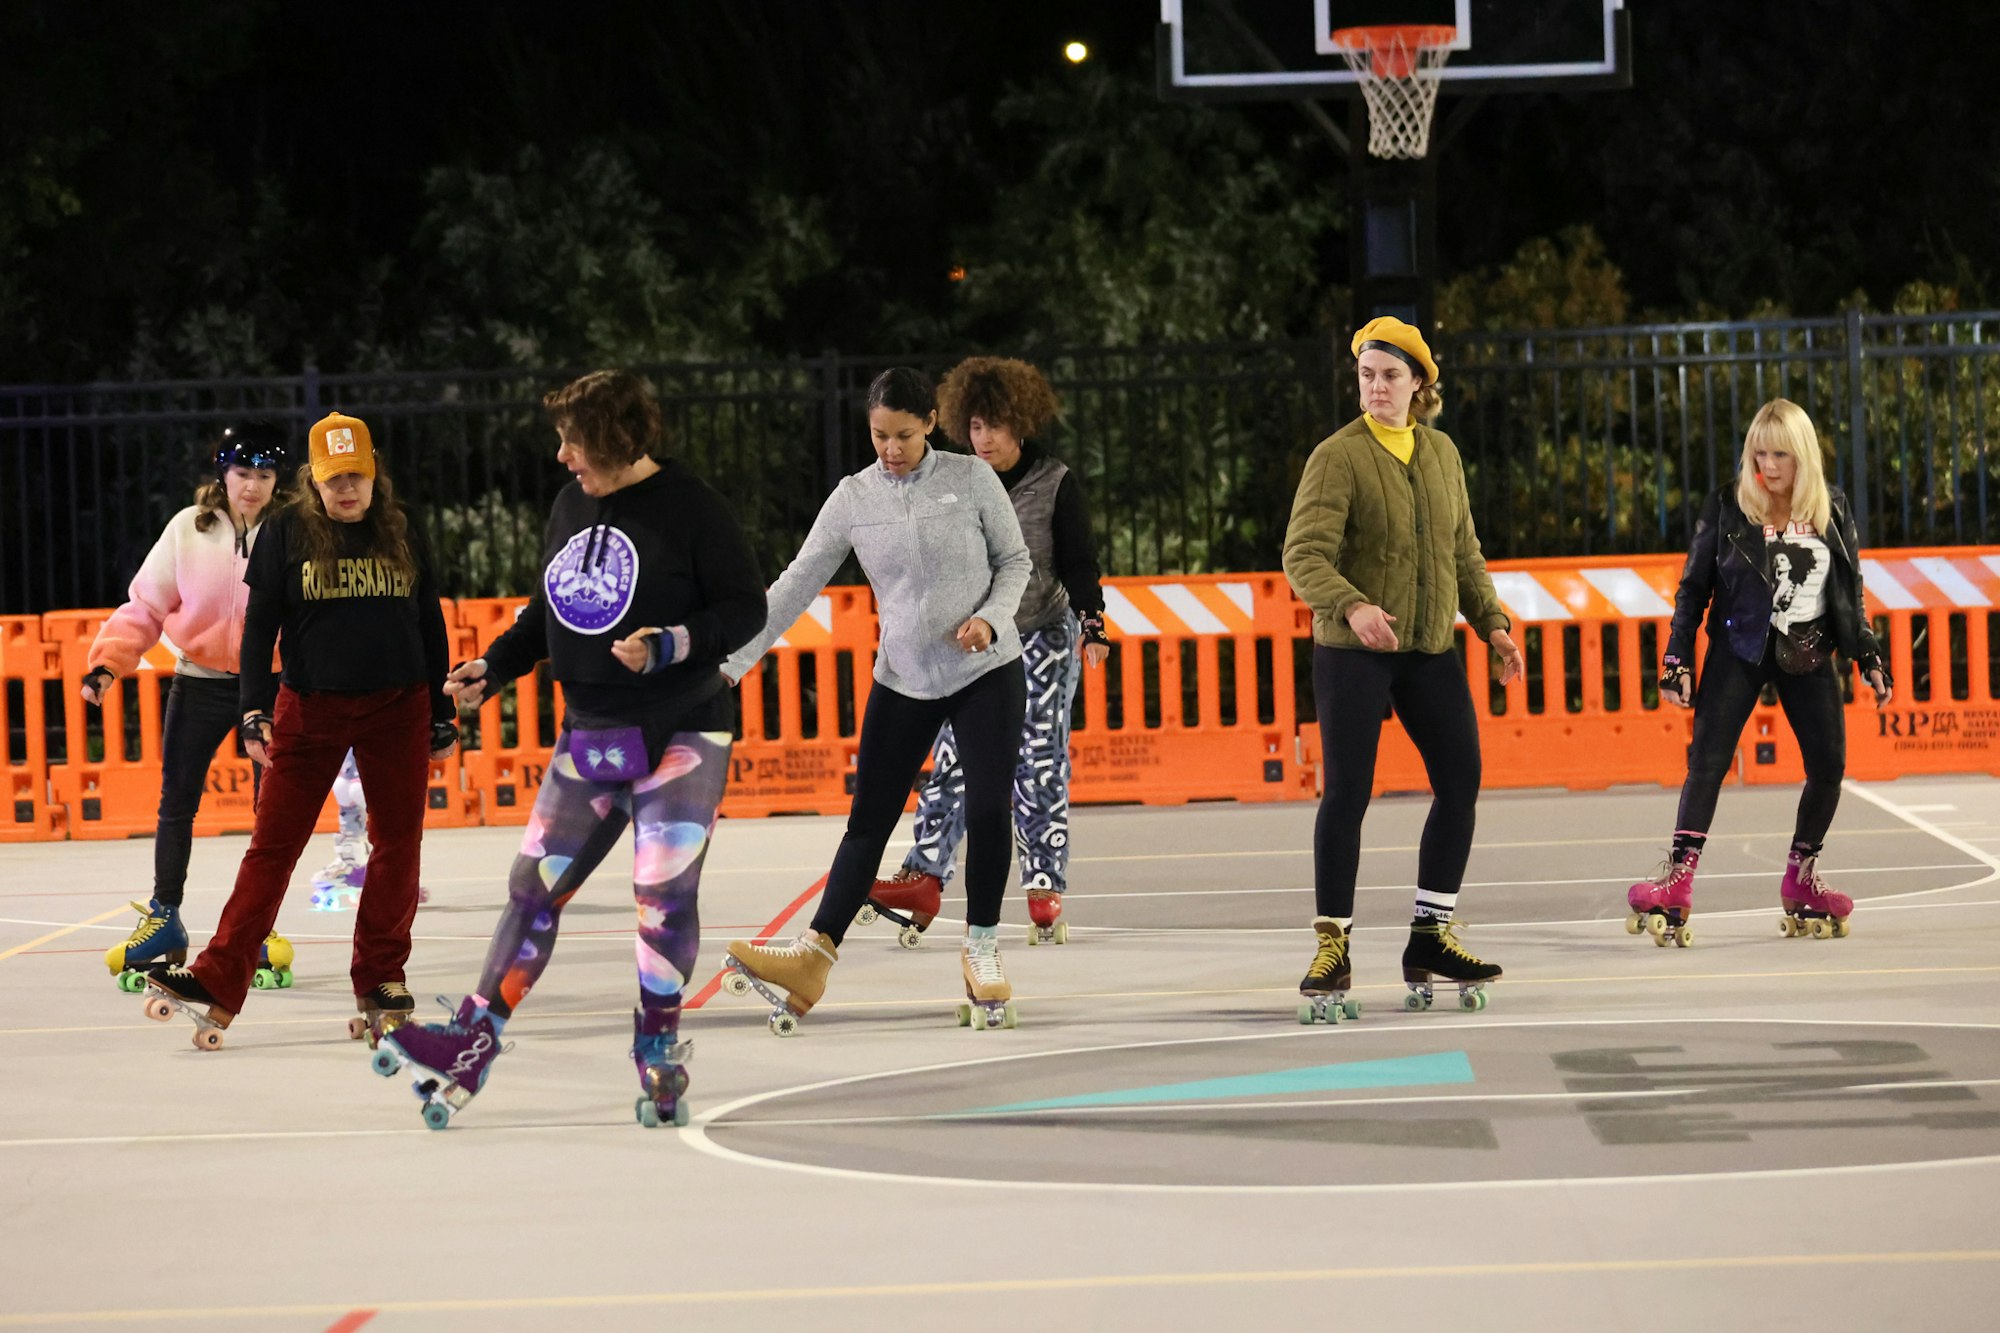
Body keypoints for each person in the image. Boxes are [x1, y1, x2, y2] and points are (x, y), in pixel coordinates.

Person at [370, 370, 765, 1128]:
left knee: (660, 892)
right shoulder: (570, 504)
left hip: (685, 725)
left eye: (572, 441)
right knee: (531, 884)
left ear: (617, 438)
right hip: (595, 730)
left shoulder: (691, 507)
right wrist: (498, 665)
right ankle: (472, 1043)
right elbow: (549, 604)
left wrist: (671, 642)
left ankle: (658, 1045)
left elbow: (745, 608)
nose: (561, 457)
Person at [719, 367, 1031, 1034]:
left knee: (985, 806)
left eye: (905, 436)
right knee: (868, 819)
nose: (891, 449)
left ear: (930, 427)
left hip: (986, 670)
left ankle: (981, 947)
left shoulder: (971, 480)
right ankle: (813, 954)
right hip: (904, 676)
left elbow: (1016, 562)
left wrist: (993, 619)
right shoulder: (853, 497)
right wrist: (734, 661)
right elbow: (798, 580)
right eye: (880, 436)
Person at [140, 411, 456, 1049]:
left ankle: (381, 978)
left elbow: (428, 620)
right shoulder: (286, 529)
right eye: (335, 479)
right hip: (309, 708)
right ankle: (218, 978)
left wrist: (441, 708)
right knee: (272, 846)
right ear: (313, 479)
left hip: (398, 706)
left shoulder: (400, 526)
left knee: (397, 845)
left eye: (358, 478)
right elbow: (259, 629)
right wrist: (253, 706)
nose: (348, 491)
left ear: (374, 476)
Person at [1281, 316, 1526, 1022]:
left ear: (1420, 383)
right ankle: (1333, 943)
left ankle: (1430, 936)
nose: (1377, 387)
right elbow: (1304, 555)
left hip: (1426, 648)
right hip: (1354, 650)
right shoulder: (1338, 456)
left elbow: (1464, 552)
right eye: (1367, 374)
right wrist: (1352, 606)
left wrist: (1495, 625)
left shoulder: (1443, 454)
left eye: (1391, 375)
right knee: (1348, 792)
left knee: (1461, 779)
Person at [1626, 398, 1892, 945]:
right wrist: (1676, 657)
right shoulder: (1729, 504)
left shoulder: (1831, 507)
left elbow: (1850, 594)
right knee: (1708, 761)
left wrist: (1868, 655)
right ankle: (1679, 879)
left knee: (1829, 767)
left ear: (1803, 458)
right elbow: (1693, 588)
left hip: (1810, 649)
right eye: (1759, 453)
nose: (1767, 466)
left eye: (1780, 455)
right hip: (1738, 646)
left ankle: (1801, 876)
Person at [868, 356, 1108, 948]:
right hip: (970, 643)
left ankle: (1044, 886)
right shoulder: (954, 480)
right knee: (952, 759)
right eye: (974, 426)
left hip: (1040, 635)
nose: (984, 439)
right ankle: (924, 876)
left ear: (1020, 424)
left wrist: (1092, 622)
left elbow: (1077, 560)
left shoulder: (1053, 482)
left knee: (1039, 759)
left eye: (995, 426)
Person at [87, 423, 292, 990]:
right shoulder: (188, 528)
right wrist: (108, 663)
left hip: (268, 688)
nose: (251, 486)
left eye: (264, 475)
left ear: (279, 481)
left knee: (270, 811)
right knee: (176, 804)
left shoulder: (293, 532)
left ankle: (259, 925)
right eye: (241, 473)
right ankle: (163, 918)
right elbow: (145, 605)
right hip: (198, 680)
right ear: (221, 475)